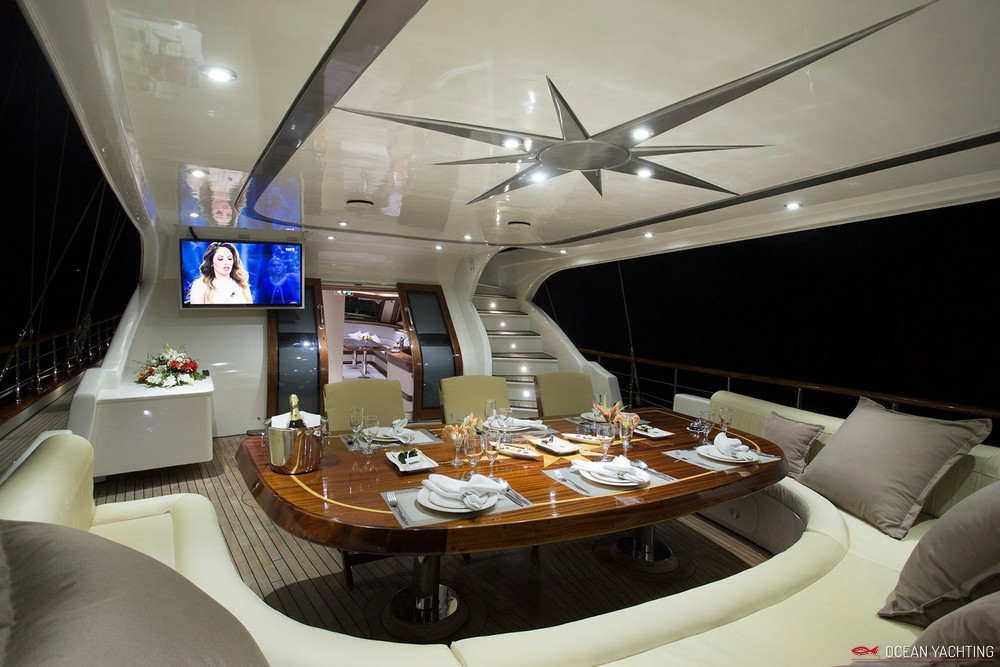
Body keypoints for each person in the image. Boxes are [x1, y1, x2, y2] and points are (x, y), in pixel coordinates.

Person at [188, 242, 253, 304]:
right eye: (220, 259)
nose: (226, 262)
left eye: (229, 259)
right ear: (211, 262)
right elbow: (196, 311)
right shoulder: (200, 285)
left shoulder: (242, 284)